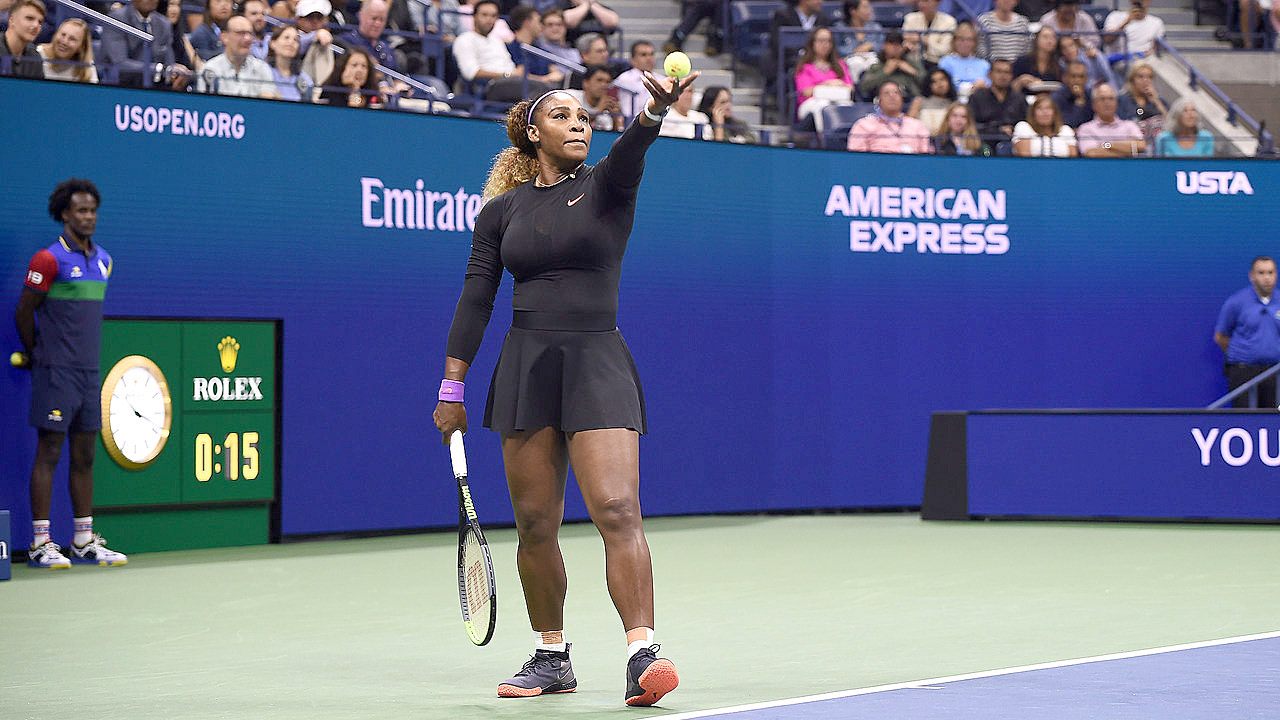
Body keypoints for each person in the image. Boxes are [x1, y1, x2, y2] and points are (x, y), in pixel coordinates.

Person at [432, 67, 696, 706]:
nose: (578, 123)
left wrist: (653, 114)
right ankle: (552, 655)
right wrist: (451, 387)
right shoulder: (501, 211)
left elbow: (632, 148)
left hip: (597, 361)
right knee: (534, 523)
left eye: (584, 116)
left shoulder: (606, 188)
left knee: (616, 509)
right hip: (526, 365)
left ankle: (642, 653)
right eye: (562, 116)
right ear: (531, 132)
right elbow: (477, 295)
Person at [14, 178, 128, 570]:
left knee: (85, 456)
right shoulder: (47, 260)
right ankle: (40, 543)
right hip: (55, 373)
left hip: (88, 375)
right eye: (81, 210)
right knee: (49, 453)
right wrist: (36, 353)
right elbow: (24, 311)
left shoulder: (104, 261)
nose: (89, 217)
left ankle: (82, 540)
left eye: (93, 210)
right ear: (65, 214)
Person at [454, 0, 553, 101]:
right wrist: (507, 75)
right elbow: (471, 73)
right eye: (484, 15)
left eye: (493, 16)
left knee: (545, 86)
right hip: (489, 85)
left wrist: (515, 73)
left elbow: (510, 67)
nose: (489, 19)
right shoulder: (464, 39)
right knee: (539, 88)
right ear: (474, 16)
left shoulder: (497, 41)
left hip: (509, 81)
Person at [1215, 257, 1280, 408]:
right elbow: (1221, 337)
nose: (1266, 278)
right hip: (1243, 372)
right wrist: (1244, 355)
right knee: (1244, 417)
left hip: (1274, 372)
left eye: (1270, 272)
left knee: (1271, 419)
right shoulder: (1237, 302)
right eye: (1261, 273)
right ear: (1252, 276)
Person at [103, 0, 192, 90]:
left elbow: (169, 62)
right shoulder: (117, 19)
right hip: (121, 86)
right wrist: (158, 69)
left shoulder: (164, 23)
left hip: (155, 89)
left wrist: (176, 72)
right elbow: (119, 62)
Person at [198, 13, 279, 97]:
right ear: (224, 37)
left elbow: (266, 105)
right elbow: (206, 105)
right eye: (240, 33)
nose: (247, 39)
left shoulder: (262, 68)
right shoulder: (210, 69)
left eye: (250, 33)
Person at [762, 0, 832, 91]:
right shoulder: (782, 16)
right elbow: (777, 45)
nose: (821, 1)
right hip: (790, 64)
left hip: (818, 62)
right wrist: (805, 61)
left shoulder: (824, 19)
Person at [794, 27, 853, 131]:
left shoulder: (840, 64)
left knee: (847, 105)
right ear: (813, 43)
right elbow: (806, 92)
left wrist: (839, 84)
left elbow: (850, 88)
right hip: (812, 103)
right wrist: (827, 84)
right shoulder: (805, 67)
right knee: (823, 106)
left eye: (828, 41)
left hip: (838, 100)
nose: (825, 44)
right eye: (821, 41)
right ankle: (825, 139)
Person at [847, 80, 931, 153]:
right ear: (879, 101)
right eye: (886, 93)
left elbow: (927, 155)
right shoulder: (863, 125)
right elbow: (856, 158)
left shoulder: (917, 125)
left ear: (902, 99)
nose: (892, 96)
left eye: (896, 93)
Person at [1075, 82, 1144, 156]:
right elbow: (1092, 153)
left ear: (1116, 102)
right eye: (1102, 99)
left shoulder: (1130, 125)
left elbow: (1141, 145)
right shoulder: (1086, 128)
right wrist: (1126, 151)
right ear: (1094, 104)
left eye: (1111, 98)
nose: (1107, 102)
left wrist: (1107, 145)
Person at [969, 58, 1024, 149]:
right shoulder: (977, 97)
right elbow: (971, 125)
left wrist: (1012, 129)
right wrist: (998, 130)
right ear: (989, 75)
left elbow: (1026, 123)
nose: (1003, 76)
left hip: (1014, 145)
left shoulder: (1019, 98)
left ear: (1011, 76)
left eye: (1007, 72)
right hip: (984, 144)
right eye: (998, 72)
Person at [508, 5, 565, 88]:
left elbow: (557, 74)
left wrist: (543, 79)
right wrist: (544, 79)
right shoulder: (508, 49)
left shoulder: (542, 51)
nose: (541, 27)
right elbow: (517, 75)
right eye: (538, 22)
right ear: (527, 22)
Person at [857, 31, 923, 100]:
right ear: (885, 45)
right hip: (883, 103)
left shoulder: (911, 63)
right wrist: (884, 72)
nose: (895, 47)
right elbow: (864, 86)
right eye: (892, 44)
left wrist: (912, 71)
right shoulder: (877, 65)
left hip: (910, 101)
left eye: (898, 44)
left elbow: (927, 83)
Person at [1012, 94, 1078, 156]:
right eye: (1039, 108)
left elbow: (1072, 160)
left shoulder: (1065, 130)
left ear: (1055, 113)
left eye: (1048, 108)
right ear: (1033, 113)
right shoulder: (1023, 127)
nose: (1044, 112)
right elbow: (1025, 158)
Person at [36, 17, 96, 83]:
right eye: (63, 35)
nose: (64, 42)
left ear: (82, 47)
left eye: (72, 39)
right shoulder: (37, 54)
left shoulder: (87, 66)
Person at [1117, 61, 1166, 141]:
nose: (1146, 81)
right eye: (1141, 77)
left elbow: (1169, 124)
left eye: (1149, 77)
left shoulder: (1158, 101)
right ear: (1132, 80)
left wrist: (1156, 101)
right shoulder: (1122, 100)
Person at [937, 22, 989, 98]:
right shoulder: (945, 62)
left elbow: (989, 85)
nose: (965, 43)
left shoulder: (984, 64)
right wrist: (970, 88)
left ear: (975, 43)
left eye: (969, 39)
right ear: (954, 41)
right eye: (961, 39)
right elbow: (945, 86)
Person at [902, 0, 957, 67]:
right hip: (914, 63)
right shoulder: (910, 18)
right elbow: (905, 42)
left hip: (938, 64)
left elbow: (944, 50)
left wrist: (923, 40)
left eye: (926, 1)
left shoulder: (949, 21)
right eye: (920, 1)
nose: (922, 4)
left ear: (937, 2)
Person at [568, 63, 623, 130]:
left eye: (607, 82)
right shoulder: (570, 97)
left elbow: (609, 138)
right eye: (599, 80)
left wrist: (615, 119)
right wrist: (597, 112)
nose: (604, 85)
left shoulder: (607, 109)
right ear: (585, 83)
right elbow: (570, 127)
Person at [266, 22, 312, 100]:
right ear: (273, 43)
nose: (291, 42)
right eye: (286, 37)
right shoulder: (263, 71)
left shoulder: (304, 78)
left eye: (295, 40)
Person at [295, 0, 335, 88]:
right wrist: (316, 35)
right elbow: (298, 45)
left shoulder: (327, 36)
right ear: (299, 20)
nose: (315, 21)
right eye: (310, 17)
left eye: (319, 18)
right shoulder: (292, 35)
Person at [612, 40, 655, 121]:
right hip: (631, 125)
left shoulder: (662, 79)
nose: (649, 58)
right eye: (643, 55)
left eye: (651, 54)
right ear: (633, 60)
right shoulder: (623, 79)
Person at [1011, 25, 1062, 92]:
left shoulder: (1058, 65)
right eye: (1045, 37)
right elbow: (1009, 90)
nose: (1050, 41)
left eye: (1053, 38)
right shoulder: (1022, 61)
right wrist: (1021, 81)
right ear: (1037, 39)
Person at [2, 0, 44, 79]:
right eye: (30, 18)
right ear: (11, 20)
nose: (36, 25)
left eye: (40, 22)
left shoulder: (34, 57)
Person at [908, 67, 957, 132]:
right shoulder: (919, 101)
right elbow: (909, 125)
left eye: (942, 79)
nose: (939, 84)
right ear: (929, 85)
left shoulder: (955, 104)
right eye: (934, 82)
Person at [1050, 60, 1093, 127]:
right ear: (1065, 78)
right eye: (1073, 76)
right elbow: (1065, 124)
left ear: (1086, 79)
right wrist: (1078, 103)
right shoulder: (1056, 98)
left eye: (1081, 77)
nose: (1077, 80)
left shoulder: (1092, 95)